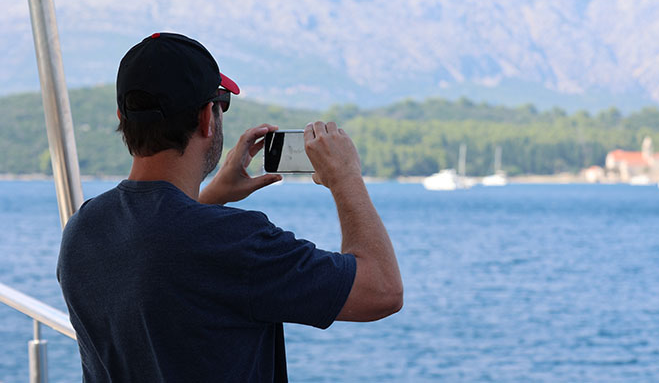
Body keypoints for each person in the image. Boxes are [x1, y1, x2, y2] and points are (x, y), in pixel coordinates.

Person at [57, 32, 402, 382]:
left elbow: (160, 245)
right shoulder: (235, 242)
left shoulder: (82, 229)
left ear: (122, 117)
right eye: (222, 104)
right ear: (208, 117)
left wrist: (211, 196)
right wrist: (346, 177)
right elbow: (382, 290)